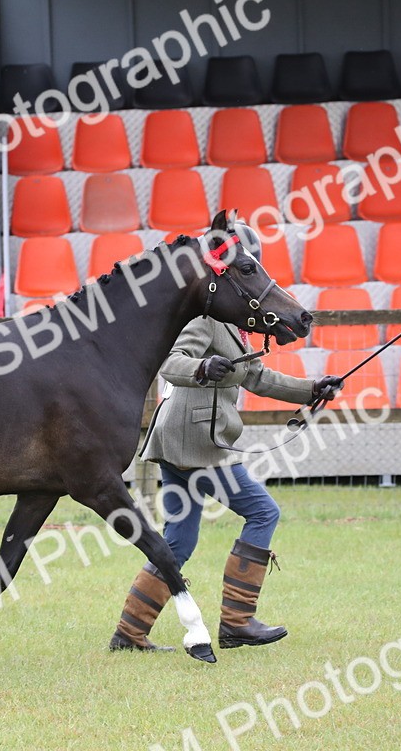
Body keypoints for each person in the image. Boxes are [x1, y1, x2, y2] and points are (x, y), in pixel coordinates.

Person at [110, 222, 341, 653]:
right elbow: (172, 362)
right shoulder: (205, 316)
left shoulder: (232, 321)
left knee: (180, 539)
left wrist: (312, 389)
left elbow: (254, 375)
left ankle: (129, 632)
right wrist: (201, 368)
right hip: (197, 440)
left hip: (181, 439)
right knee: (263, 512)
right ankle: (237, 621)